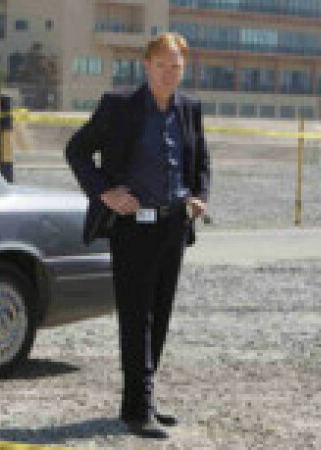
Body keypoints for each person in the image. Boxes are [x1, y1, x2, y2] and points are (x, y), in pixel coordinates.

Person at [65, 32, 210, 439]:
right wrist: (105, 193)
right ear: (147, 65)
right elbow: (77, 150)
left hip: (173, 225)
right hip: (132, 228)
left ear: (184, 68)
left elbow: (201, 161)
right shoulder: (120, 106)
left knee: (159, 315)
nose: (168, 74)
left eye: (175, 67)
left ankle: (141, 402)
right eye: (161, 65)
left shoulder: (190, 109)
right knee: (136, 317)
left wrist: (199, 196)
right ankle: (139, 408)